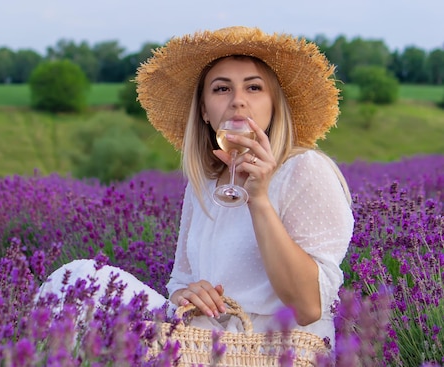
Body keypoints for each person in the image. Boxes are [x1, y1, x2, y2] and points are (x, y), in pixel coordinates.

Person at [39, 26, 354, 349]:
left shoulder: (304, 170)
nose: (238, 102)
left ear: (274, 104)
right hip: (203, 335)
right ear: (204, 110)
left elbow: (309, 306)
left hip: (271, 347)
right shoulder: (203, 184)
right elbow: (180, 279)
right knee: (81, 279)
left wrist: (258, 200)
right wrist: (184, 294)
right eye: (221, 89)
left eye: (254, 87)